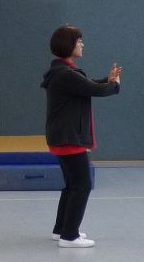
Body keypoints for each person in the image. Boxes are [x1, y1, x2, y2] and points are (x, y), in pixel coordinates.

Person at [40, 25, 120, 247]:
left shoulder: (63, 71)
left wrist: (107, 79)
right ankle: (69, 236)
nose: (82, 44)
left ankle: (61, 230)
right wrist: (113, 85)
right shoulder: (66, 74)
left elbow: (88, 85)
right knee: (82, 185)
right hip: (69, 138)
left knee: (72, 185)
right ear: (69, 45)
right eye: (79, 41)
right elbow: (95, 90)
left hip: (64, 136)